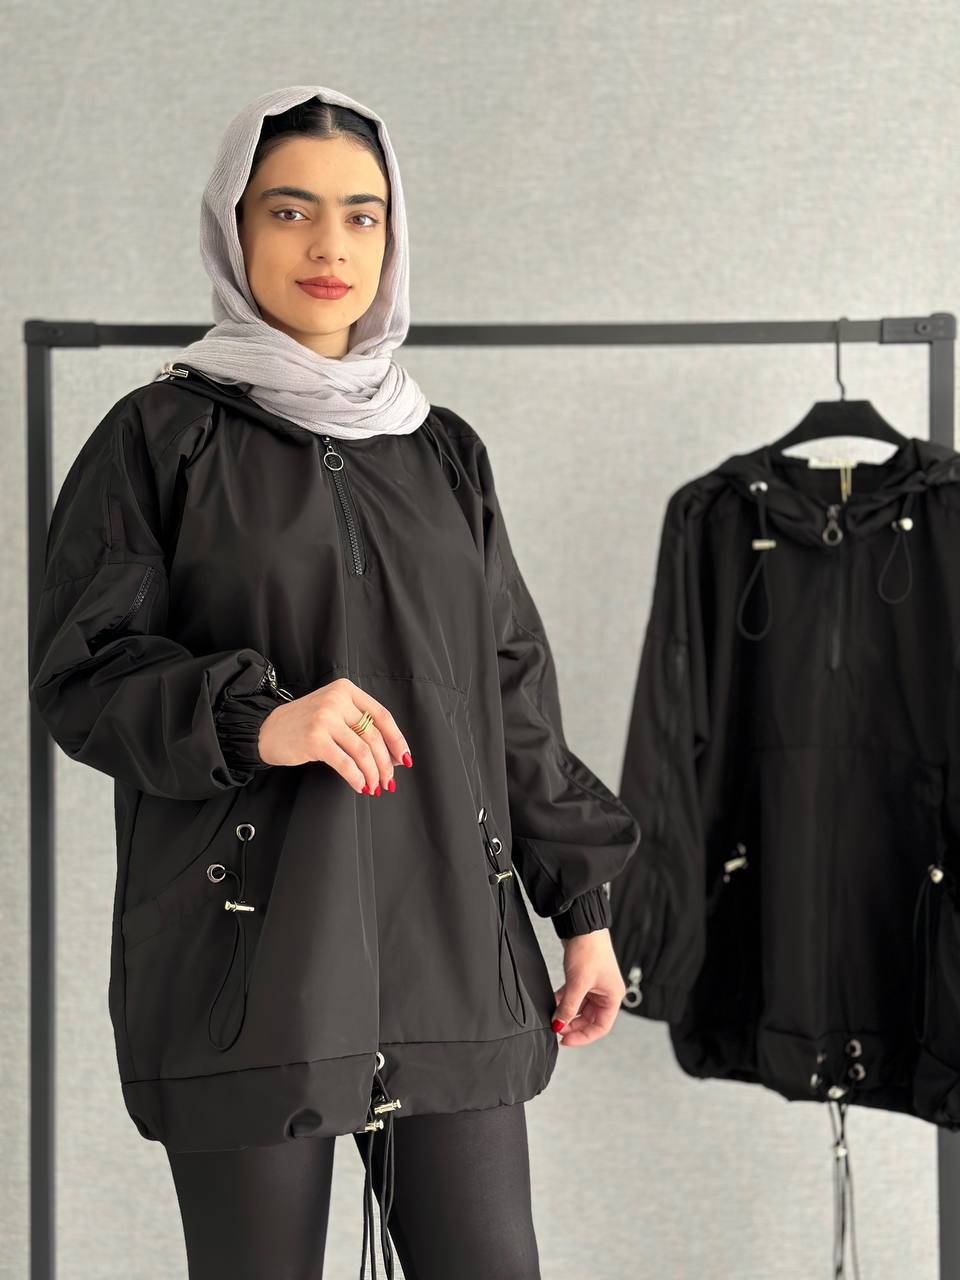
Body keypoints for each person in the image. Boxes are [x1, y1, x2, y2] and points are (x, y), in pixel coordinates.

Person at [28, 84, 641, 1279]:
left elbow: (509, 694)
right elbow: (83, 674)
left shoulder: (443, 450)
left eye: (362, 215)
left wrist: (586, 911)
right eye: (290, 210)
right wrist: (261, 718)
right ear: (233, 227)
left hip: (454, 953)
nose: (329, 245)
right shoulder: (158, 438)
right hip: (252, 963)